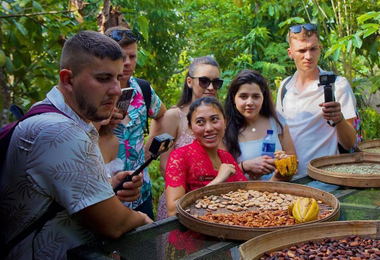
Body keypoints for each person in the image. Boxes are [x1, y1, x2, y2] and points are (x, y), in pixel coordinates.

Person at [0, 31, 152, 260]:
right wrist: (143, 219)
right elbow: (114, 224)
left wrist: (108, 186)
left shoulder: (48, 111)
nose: (116, 90)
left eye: (118, 78)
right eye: (102, 79)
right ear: (68, 79)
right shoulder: (62, 132)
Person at [277, 23, 357, 175]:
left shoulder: (338, 85)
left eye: (313, 49)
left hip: (326, 178)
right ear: (290, 53)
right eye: (302, 50)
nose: (308, 56)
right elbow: (280, 134)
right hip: (292, 179)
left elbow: (350, 143)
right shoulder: (284, 87)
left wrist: (339, 119)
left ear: (319, 48)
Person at [105, 26, 167, 220]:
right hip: (106, 194)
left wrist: (149, 146)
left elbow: (163, 114)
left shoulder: (142, 89)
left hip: (141, 191)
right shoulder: (95, 92)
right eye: (121, 57)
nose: (127, 63)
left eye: (132, 56)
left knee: (145, 248)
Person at [152, 56, 223, 220]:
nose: (211, 87)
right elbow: (165, 166)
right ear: (190, 81)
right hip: (180, 201)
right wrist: (194, 197)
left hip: (214, 202)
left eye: (216, 82)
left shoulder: (219, 116)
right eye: (204, 81)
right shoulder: (174, 116)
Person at [165, 97, 247, 217]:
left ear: (225, 122)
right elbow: (173, 210)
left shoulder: (226, 157)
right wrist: (217, 181)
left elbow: (247, 196)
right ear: (190, 128)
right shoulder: (180, 157)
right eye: (200, 122)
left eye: (214, 119)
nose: (208, 128)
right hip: (193, 233)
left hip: (228, 229)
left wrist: (276, 180)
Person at [224, 69, 297, 180]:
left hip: (279, 192)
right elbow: (220, 176)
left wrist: (278, 166)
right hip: (240, 195)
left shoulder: (277, 121)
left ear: (263, 97)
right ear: (234, 98)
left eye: (256, 96)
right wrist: (245, 166)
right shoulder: (224, 128)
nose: (249, 102)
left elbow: (292, 159)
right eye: (243, 96)